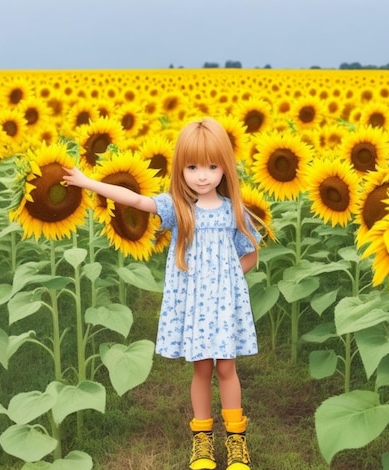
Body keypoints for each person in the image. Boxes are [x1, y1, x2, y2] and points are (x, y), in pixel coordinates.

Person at [63, 117, 262, 470]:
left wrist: (230, 281)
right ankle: (202, 440)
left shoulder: (234, 211)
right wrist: (87, 182)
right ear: (180, 170)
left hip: (223, 306)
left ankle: (236, 440)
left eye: (213, 166)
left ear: (225, 168)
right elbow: (136, 201)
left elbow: (250, 252)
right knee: (202, 370)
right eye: (193, 167)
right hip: (196, 308)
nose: (203, 175)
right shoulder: (179, 208)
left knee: (227, 369)